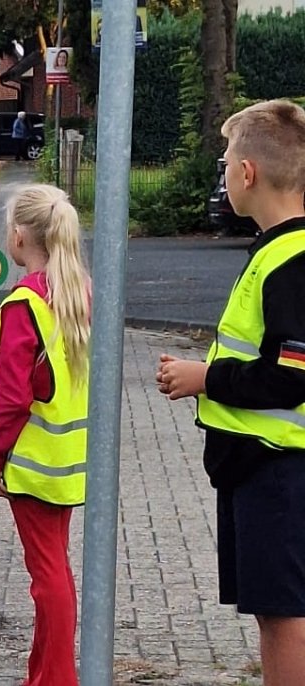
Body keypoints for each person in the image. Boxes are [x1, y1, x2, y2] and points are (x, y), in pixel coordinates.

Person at [157, 99, 305, 686]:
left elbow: (292, 375)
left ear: (247, 174)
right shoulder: (277, 252)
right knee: (276, 613)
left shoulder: (289, 262)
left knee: (285, 615)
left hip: (279, 473)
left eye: (225, 163)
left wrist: (205, 378)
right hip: (263, 471)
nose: (222, 173)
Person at [0, 184, 91, 686]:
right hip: (68, 458)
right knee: (54, 572)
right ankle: (43, 674)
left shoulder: (23, 303)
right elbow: (49, 369)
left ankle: (57, 678)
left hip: (32, 461)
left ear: (19, 238)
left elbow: (15, 397)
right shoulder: (77, 291)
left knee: (48, 580)